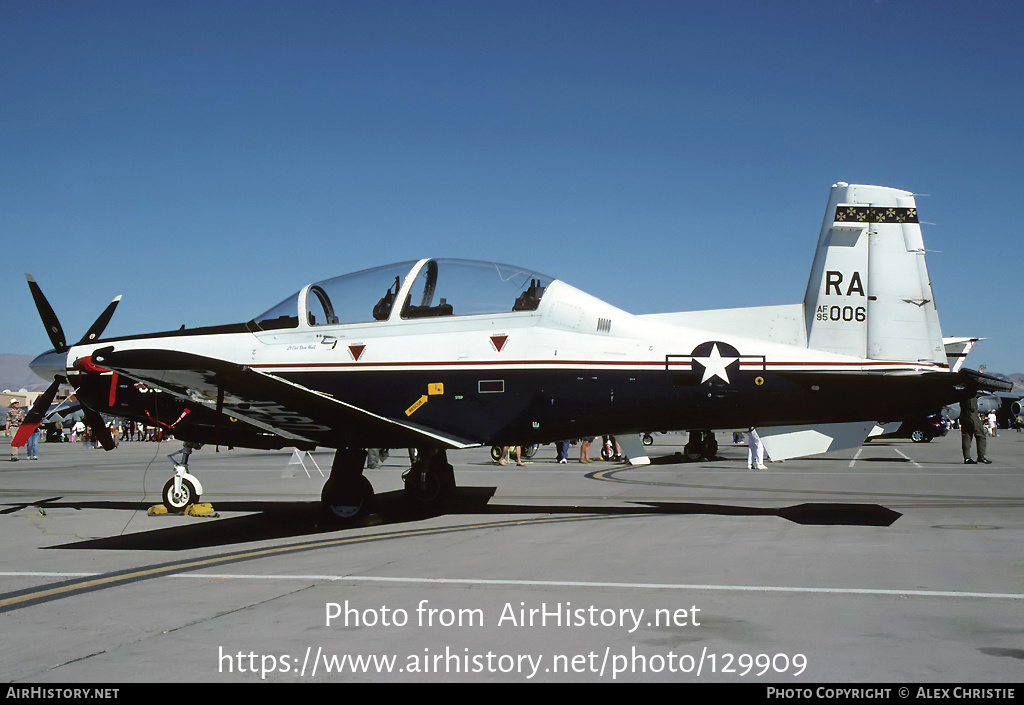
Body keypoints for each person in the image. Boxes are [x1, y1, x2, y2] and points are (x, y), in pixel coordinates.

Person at [960, 396, 991, 464]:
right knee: (981, 435)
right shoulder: (971, 391)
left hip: (963, 415)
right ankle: (981, 456)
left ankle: (967, 458)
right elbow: (971, 406)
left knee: (966, 436)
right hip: (971, 415)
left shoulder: (961, 391)